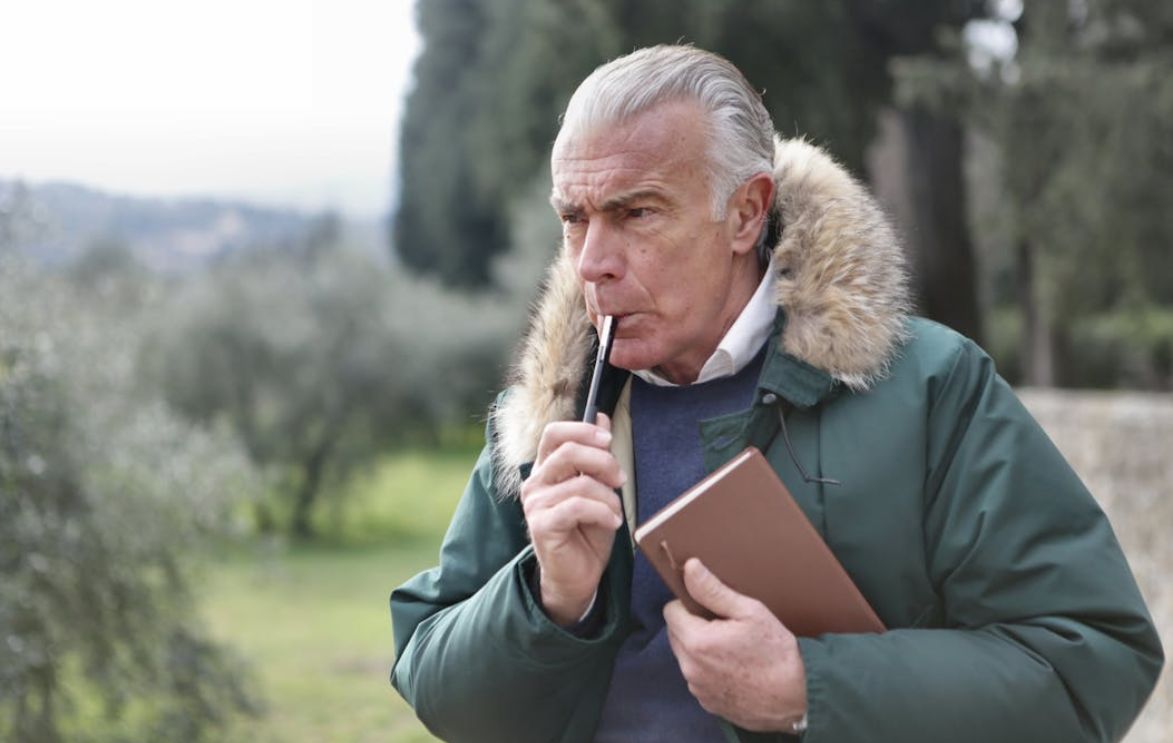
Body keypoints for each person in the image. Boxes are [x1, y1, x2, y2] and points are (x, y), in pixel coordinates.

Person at [389, 45, 1163, 742]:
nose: (592, 261)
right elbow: (443, 692)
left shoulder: (930, 389)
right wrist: (549, 598)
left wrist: (809, 687)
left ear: (746, 212)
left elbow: (1088, 662)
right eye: (574, 218)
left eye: (636, 213)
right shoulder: (546, 418)